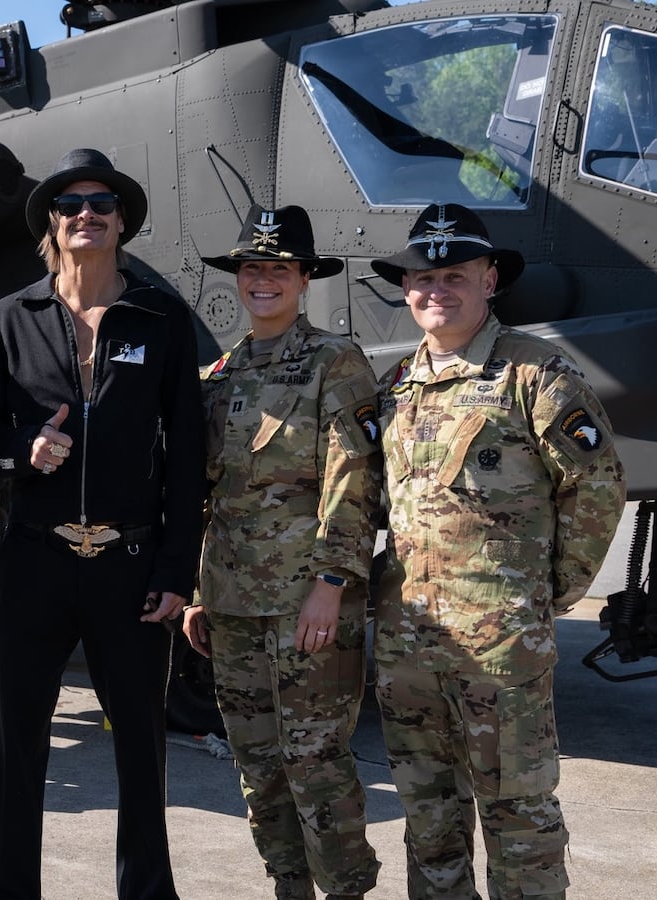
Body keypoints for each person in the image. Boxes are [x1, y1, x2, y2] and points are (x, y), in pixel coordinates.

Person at [0, 148, 206, 900]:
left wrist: (174, 571)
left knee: (142, 748)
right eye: (70, 206)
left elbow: (190, 453)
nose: (87, 215)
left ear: (121, 220)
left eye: (102, 203)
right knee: (19, 744)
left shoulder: (160, 319)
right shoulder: (12, 317)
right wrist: (25, 448)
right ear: (51, 224)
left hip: (129, 566)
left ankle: (147, 893)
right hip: (37, 562)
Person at [368, 203, 626, 900]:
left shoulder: (535, 376)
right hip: (407, 648)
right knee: (428, 823)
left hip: (499, 653)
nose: (436, 290)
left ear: (489, 281)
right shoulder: (395, 387)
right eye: (423, 278)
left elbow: (595, 490)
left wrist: (543, 594)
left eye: (455, 275)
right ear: (405, 288)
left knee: (520, 821)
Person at [182, 205, 382, 900]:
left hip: (308, 605)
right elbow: (210, 492)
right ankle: (289, 889)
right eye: (252, 268)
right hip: (233, 605)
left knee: (317, 764)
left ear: (303, 279)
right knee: (258, 767)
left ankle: (347, 891)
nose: (263, 280)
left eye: (278, 268)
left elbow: (352, 477)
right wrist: (201, 590)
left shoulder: (335, 362)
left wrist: (331, 581)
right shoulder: (222, 372)